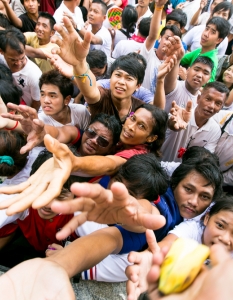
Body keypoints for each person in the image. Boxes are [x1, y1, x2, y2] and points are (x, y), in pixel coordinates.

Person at [162, 81, 229, 162]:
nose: (211, 106)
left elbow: (203, 159)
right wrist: (174, 125)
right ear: (198, 99)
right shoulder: (181, 115)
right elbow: (171, 124)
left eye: (218, 103)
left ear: (221, 108)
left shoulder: (215, 130)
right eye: (208, 99)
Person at [0, 28, 42, 110]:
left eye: (22, 58)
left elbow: (37, 103)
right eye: (13, 60)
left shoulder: (35, 76)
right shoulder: (1, 58)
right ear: (1, 52)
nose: (18, 63)